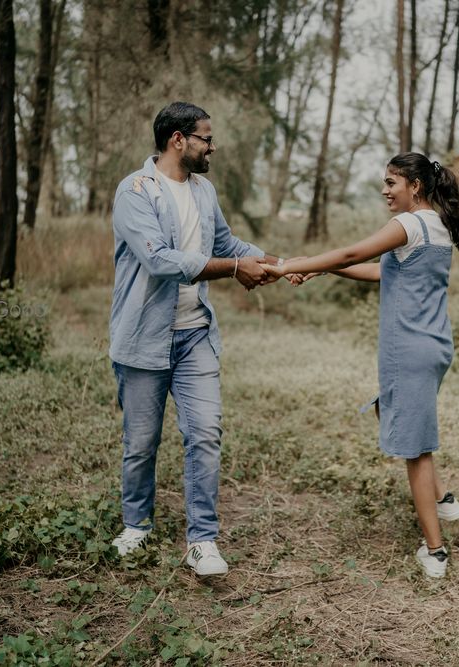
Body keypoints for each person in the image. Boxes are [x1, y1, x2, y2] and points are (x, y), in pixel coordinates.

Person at [262, 152, 459, 578]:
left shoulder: (408, 224)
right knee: (389, 409)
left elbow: (349, 251)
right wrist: (323, 273)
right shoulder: (436, 225)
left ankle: (435, 553)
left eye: (391, 183)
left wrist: (290, 264)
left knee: (415, 449)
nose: (385, 190)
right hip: (435, 348)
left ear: (414, 186)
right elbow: (383, 272)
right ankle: (445, 501)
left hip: (409, 350)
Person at [108, 101, 285, 576]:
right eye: (206, 138)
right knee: (142, 441)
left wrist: (277, 263)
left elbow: (227, 245)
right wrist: (234, 270)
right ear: (178, 140)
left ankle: (202, 540)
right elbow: (160, 260)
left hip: (195, 337)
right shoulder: (135, 191)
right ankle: (136, 525)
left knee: (205, 434)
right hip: (143, 340)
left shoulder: (204, 191)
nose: (213, 147)